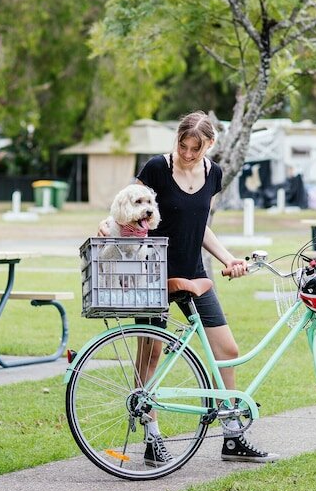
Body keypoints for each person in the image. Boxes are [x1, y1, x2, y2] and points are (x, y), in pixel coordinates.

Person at [99, 111, 279, 465]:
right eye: (183, 145)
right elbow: (128, 204)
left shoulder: (214, 174)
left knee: (226, 350)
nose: (187, 154)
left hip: (193, 272)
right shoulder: (157, 168)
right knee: (150, 353)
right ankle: (152, 438)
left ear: (210, 144)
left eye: (196, 148)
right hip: (151, 272)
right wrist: (107, 226)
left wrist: (228, 258)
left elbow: (200, 224)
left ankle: (232, 436)